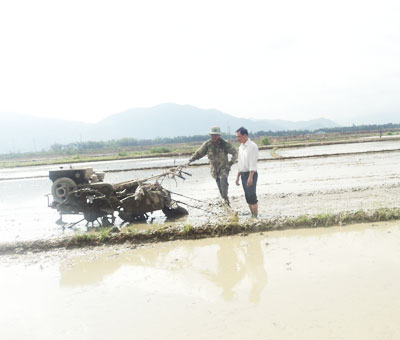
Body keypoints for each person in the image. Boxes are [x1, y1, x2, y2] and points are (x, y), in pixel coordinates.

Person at [187, 126, 238, 204]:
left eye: (215, 135)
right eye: (212, 135)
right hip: (214, 169)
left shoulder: (225, 144)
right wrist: (190, 160)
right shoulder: (207, 144)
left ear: (219, 135)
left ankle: (225, 198)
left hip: (224, 168)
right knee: (219, 183)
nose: (214, 137)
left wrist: (230, 163)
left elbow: (235, 153)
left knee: (223, 179)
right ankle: (223, 197)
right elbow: (199, 153)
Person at [235, 127, 259, 217]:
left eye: (239, 136)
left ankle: (255, 216)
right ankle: (253, 215)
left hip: (250, 175)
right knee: (247, 197)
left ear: (245, 135)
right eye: (237, 137)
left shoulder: (252, 146)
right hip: (243, 175)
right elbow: (240, 163)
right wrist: (237, 177)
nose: (238, 139)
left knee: (252, 196)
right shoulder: (241, 147)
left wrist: (250, 177)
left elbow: (253, 163)